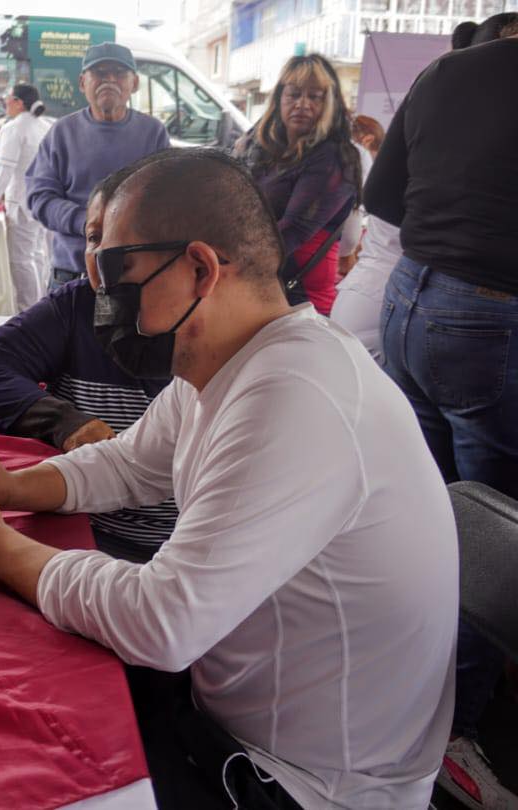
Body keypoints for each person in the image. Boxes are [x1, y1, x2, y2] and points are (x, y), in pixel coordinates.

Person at [0, 148, 457, 809]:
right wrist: (12, 488)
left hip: (301, 785)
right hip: (227, 717)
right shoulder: (235, 362)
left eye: (119, 277)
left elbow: (163, 621)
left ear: (200, 268)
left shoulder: (297, 394)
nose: (103, 302)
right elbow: (132, 461)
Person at [365, 20, 518, 809]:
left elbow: (381, 195)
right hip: (488, 316)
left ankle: (399, 694)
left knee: (429, 511)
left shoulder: (446, 74)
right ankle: (453, 730)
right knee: (493, 533)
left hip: (411, 299)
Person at [0, 164, 177, 562]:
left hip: (169, 557)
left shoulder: (217, 347)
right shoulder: (75, 308)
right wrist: (66, 423)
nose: (103, 258)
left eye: (126, 242)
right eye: (94, 238)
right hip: (80, 538)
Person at [26, 42, 170, 291]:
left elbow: (167, 199)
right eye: (100, 73)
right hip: (72, 274)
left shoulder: (153, 133)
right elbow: (40, 198)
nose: (110, 79)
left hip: (136, 276)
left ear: (134, 83)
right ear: (83, 82)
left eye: (119, 72)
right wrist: (87, 224)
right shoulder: (62, 133)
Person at [234, 54, 360, 315]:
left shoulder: (333, 158)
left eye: (315, 97)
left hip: (299, 303)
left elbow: (291, 233)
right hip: (256, 288)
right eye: (294, 94)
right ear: (280, 98)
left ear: (330, 104)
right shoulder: (261, 144)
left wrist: (220, 258)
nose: (302, 104)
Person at [330, 115, 400, 362]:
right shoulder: (357, 155)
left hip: (353, 296)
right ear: (368, 139)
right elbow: (350, 237)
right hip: (381, 300)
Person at [0, 84, 52, 311]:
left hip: (21, 201)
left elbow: (4, 170)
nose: (5, 103)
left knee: (20, 260)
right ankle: (41, 307)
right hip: (42, 201)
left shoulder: (14, 128)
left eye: (7, 99)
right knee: (38, 256)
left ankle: (28, 310)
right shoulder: (45, 126)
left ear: (18, 102)